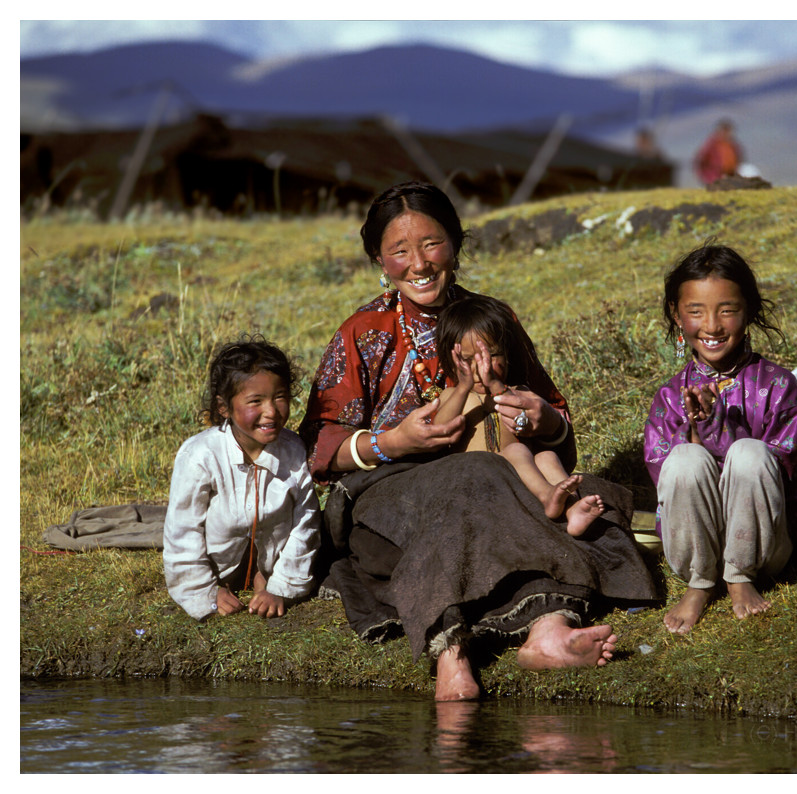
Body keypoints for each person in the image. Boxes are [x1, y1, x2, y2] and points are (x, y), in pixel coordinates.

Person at [298, 181, 656, 701]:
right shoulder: (363, 332)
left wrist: (541, 418)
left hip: (499, 479)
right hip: (392, 497)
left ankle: (547, 633)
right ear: (379, 258)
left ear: (456, 245)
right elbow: (317, 443)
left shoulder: (494, 320)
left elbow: (555, 420)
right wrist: (392, 443)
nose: (418, 264)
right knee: (482, 478)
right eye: (399, 251)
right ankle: (455, 652)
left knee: (567, 490)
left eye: (432, 244)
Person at [644, 243, 797, 635]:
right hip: (694, 542)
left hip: (764, 543)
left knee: (750, 453)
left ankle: (739, 574)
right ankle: (700, 580)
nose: (713, 326)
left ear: (749, 310)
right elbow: (664, 477)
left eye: (727, 310)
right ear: (676, 313)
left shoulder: (777, 384)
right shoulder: (670, 397)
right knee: (685, 458)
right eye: (695, 311)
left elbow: (783, 466)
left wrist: (726, 429)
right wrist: (694, 429)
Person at [163, 335, 321, 621]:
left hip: (273, 564)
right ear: (224, 407)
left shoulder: (294, 451)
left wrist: (280, 586)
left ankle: (263, 575)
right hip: (216, 566)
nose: (271, 411)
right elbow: (183, 529)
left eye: (280, 397)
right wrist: (204, 591)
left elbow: (305, 522)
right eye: (255, 401)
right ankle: (223, 581)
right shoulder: (200, 455)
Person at [432, 293, 605, 536]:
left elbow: (524, 410)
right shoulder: (452, 395)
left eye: (492, 355)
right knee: (516, 450)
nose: (483, 366)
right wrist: (462, 386)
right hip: (478, 480)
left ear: (507, 354)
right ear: (451, 362)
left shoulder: (519, 391)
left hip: (525, 479)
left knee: (546, 457)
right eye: (467, 359)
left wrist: (495, 385)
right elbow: (439, 427)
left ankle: (572, 509)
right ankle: (549, 497)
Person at [694, 119, 742, 185]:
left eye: (728, 131)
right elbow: (701, 161)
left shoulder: (733, 145)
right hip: (714, 177)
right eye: (724, 130)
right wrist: (706, 177)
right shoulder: (711, 145)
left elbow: (738, 159)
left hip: (730, 176)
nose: (726, 133)